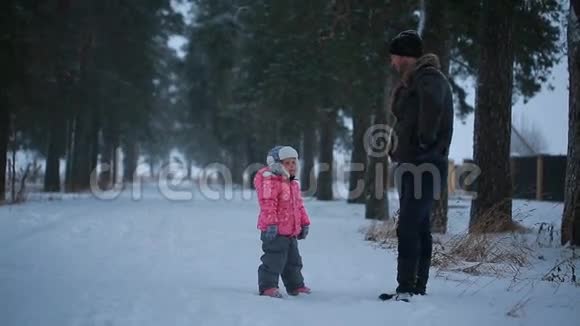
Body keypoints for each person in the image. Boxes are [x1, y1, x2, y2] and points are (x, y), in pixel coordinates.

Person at [385, 30, 454, 302]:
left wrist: (424, 145)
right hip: (412, 163)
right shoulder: (414, 82)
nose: (392, 63)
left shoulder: (429, 79)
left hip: (423, 165)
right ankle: (416, 286)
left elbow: (431, 112)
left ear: (405, 57)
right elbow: (406, 120)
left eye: (394, 58)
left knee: (410, 225)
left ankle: (407, 287)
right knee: (419, 224)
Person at [254, 145, 312, 298]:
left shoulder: (292, 183)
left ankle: (296, 286)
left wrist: (304, 223)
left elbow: (299, 206)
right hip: (274, 231)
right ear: (277, 164)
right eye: (287, 163)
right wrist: (271, 224)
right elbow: (267, 203)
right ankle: (267, 287)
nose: (292, 166)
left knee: (294, 261)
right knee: (274, 259)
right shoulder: (270, 181)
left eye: (294, 162)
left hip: (290, 231)